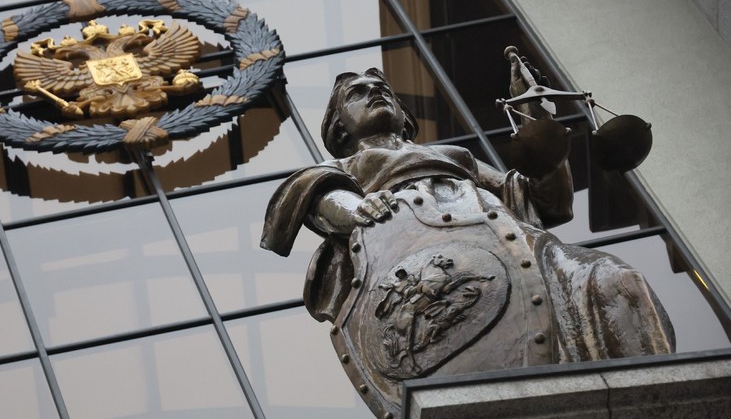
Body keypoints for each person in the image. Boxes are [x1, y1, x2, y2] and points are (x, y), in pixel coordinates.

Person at [260, 67, 674, 416]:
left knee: (617, 282)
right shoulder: (343, 168)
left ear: (403, 114)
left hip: (520, 248)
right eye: (358, 93)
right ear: (339, 125)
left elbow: (548, 203)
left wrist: (536, 121)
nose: (375, 93)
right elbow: (321, 196)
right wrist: (356, 210)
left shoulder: (456, 157)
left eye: (382, 88)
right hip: (421, 252)